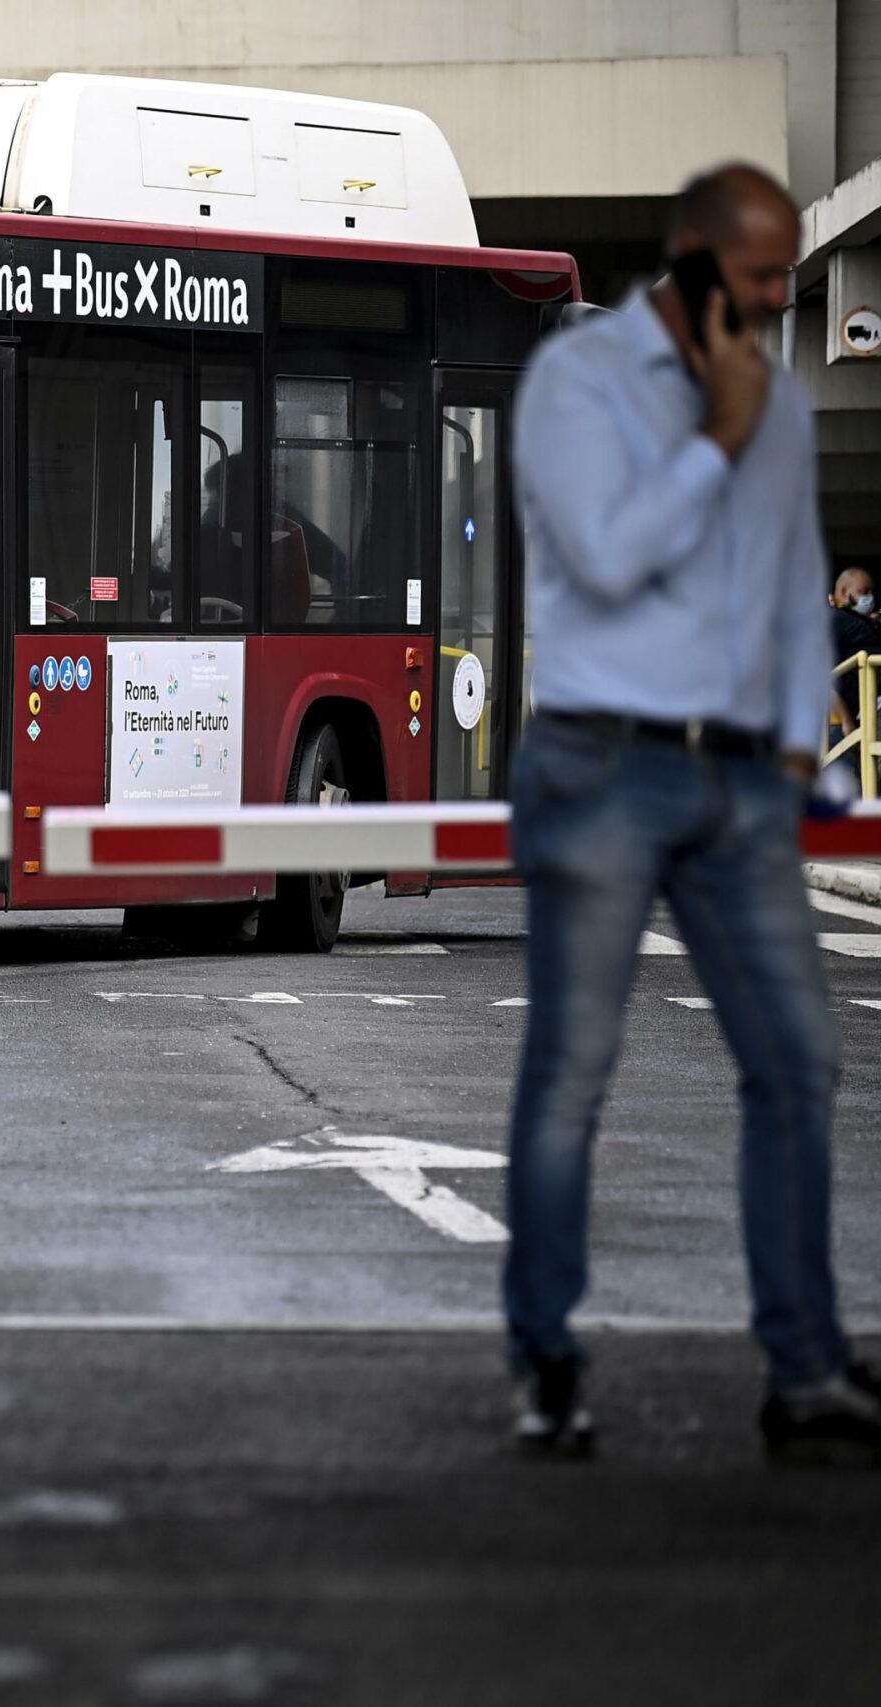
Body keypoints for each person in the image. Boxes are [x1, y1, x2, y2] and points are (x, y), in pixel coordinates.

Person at [504, 163, 878, 1464]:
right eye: (764, 277)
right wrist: (713, 435)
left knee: (798, 1059)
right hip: (601, 762)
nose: (784, 302)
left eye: (788, 278)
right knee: (572, 1075)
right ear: (695, 258)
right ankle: (548, 1360)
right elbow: (605, 554)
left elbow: (791, 583)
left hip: (734, 784)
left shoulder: (773, 403)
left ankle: (805, 1368)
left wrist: (792, 744)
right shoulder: (583, 381)